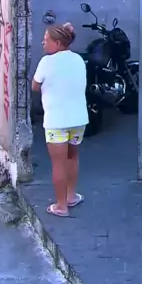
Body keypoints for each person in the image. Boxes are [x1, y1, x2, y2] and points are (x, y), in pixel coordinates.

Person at [32, 23, 89, 217]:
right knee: (72, 157)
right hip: (79, 119)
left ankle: (61, 206)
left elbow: (35, 86)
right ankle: (71, 196)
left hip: (57, 121)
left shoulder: (46, 62)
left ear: (57, 43)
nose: (42, 43)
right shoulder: (78, 59)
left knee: (58, 164)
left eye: (46, 39)